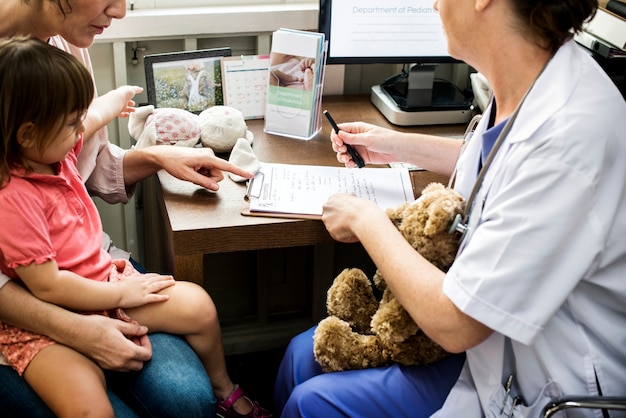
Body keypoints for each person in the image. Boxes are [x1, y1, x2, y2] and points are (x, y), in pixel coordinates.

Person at [274, 0, 626, 416]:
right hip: (485, 342)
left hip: (524, 379)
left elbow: (456, 323)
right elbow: (497, 163)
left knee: (310, 404)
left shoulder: (567, 140)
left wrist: (365, 219)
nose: (436, 3)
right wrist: (394, 144)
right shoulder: (532, 82)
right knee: (302, 354)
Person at [0, 0, 254, 416]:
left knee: (188, 399)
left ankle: (224, 392)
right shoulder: (14, 197)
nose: (119, 9)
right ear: (27, 134)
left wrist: (154, 154)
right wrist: (78, 328)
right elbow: (45, 286)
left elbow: (88, 132)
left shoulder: (53, 118)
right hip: (34, 311)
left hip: (97, 276)